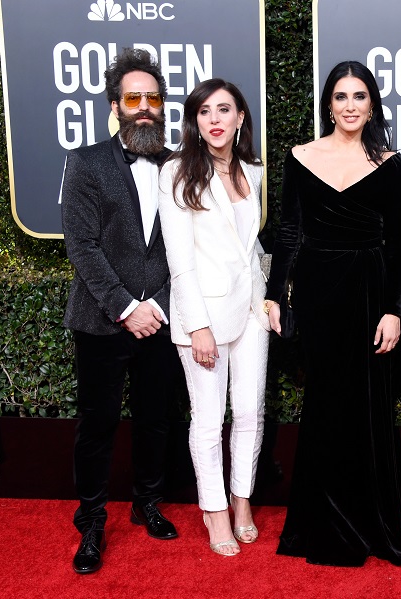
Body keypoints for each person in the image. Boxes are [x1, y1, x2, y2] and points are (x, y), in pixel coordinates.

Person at [265, 60, 401, 567]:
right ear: (328, 104)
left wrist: (393, 310)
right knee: (324, 405)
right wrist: (274, 295)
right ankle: (319, 524)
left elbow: (398, 244)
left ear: (372, 106)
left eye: (359, 96)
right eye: (341, 96)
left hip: (369, 293)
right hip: (318, 293)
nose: (350, 106)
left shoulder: (391, 164)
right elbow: (288, 231)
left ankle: (369, 523)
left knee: (367, 406)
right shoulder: (300, 157)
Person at [61, 48, 180, 575]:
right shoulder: (86, 162)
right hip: (102, 321)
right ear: (115, 106)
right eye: (134, 98)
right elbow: (82, 246)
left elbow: (194, 248)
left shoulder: (180, 164)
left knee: (157, 419)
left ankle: (147, 501)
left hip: (163, 319)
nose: (145, 107)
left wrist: (159, 305)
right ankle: (90, 520)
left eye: (153, 97)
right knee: (98, 423)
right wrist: (127, 307)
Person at [157, 79, 269, 557]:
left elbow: (251, 248)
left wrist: (267, 299)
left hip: (251, 313)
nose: (215, 119)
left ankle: (242, 501)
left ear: (240, 117)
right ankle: (215, 510)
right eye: (204, 111)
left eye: (224, 109)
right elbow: (179, 259)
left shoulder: (253, 170)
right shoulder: (178, 171)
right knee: (208, 419)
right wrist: (196, 326)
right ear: (195, 122)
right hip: (202, 316)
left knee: (249, 412)